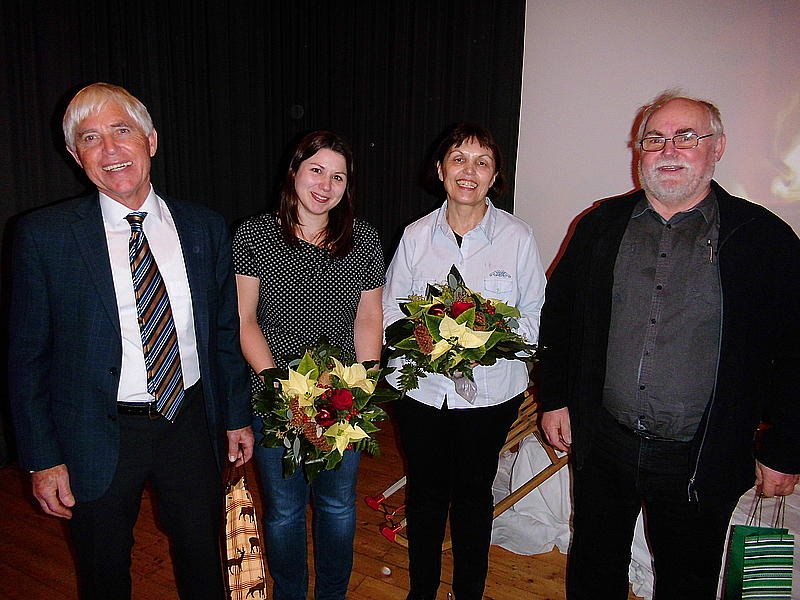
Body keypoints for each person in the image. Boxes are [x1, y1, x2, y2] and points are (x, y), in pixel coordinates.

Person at [538, 91, 800, 599]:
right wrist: (555, 397)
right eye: (655, 139)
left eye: (686, 137)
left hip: (701, 454)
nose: (669, 150)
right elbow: (561, 316)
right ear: (640, 151)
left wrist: (786, 448)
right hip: (604, 442)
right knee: (594, 567)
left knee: (688, 580)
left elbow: (795, 351)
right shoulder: (600, 225)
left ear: (717, 147)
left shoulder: (763, 239)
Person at [8, 83, 254, 599]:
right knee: (102, 569)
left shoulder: (204, 227)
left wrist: (236, 415)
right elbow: (26, 360)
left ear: (151, 140)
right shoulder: (44, 236)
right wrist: (42, 457)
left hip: (188, 421)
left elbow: (223, 336)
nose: (110, 149)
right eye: (90, 138)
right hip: (94, 431)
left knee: (202, 556)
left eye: (122, 131)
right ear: (75, 155)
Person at [383, 123, 546, 600]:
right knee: (426, 493)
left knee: (474, 495)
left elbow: (535, 315)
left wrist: (486, 340)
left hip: (492, 394)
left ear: (495, 176)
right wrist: (428, 341)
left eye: (482, 162)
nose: (468, 171)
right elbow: (391, 311)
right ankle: (422, 591)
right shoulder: (415, 236)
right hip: (422, 392)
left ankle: (469, 591)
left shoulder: (517, 237)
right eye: (458, 159)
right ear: (440, 170)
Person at [233, 130, 385, 600]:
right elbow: (245, 320)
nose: (326, 185)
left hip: (341, 398)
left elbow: (368, 317)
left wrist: (364, 386)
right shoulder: (254, 235)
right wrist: (277, 386)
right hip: (275, 395)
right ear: (294, 172)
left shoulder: (363, 240)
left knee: (337, 505)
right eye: (316, 170)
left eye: (338, 177)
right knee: (284, 511)